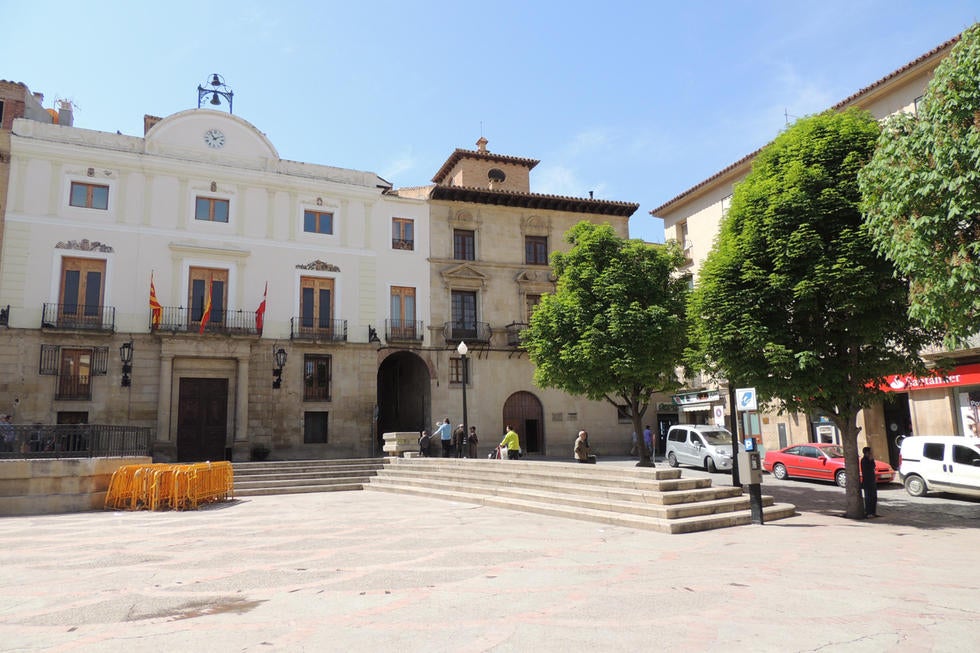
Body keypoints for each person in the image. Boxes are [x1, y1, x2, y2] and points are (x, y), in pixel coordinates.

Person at [861, 446, 879, 518]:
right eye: (870, 452)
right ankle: (868, 512)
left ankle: (873, 512)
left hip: (872, 481)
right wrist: (871, 460)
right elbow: (868, 469)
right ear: (867, 453)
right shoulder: (864, 460)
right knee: (868, 497)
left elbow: (874, 466)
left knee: (874, 497)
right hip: (867, 481)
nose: (871, 453)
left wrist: (871, 460)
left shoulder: (870, 459)